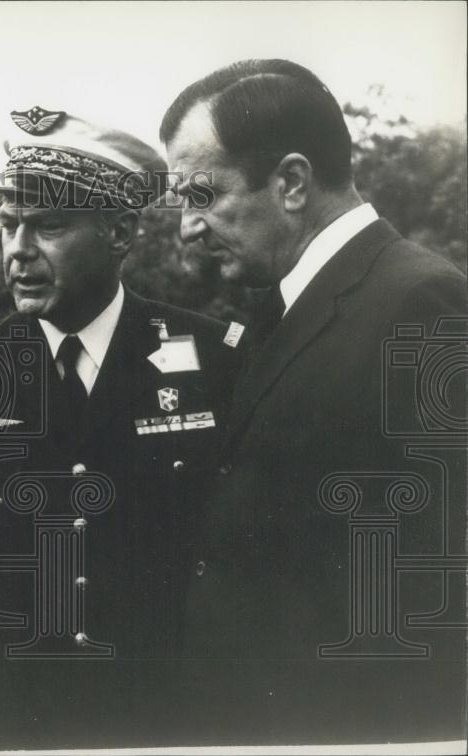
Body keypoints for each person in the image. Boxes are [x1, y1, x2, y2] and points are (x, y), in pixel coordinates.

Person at [0, 109, 244, 749]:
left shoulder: (215, 359)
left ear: (118, 232)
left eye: (49, 226)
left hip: (165, 711)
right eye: (8, 226)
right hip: (15, 714)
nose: (19, 250)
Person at [160, 58, 467, 744]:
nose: (186, 227)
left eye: (201, 195)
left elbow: (446, 580)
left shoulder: (420, 304)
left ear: (293, 182)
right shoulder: (280, 310)